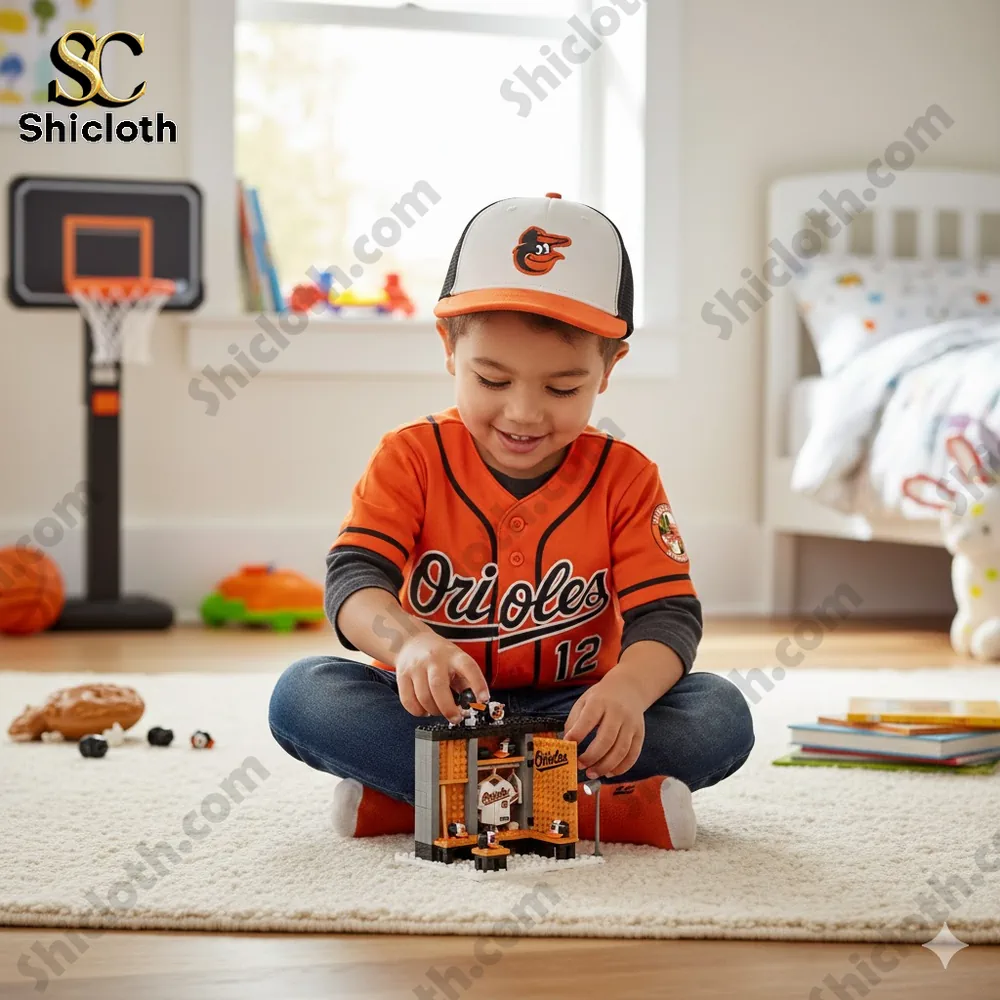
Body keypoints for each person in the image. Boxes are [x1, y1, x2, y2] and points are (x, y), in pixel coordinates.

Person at [268, 193, 755, 850]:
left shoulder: (627, 477)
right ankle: (590, 813)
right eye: (492, 379)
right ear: (448, 348)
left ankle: (425, 801)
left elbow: (668, 617)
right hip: (437, 711)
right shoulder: (409, 457)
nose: (524, 413)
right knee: (306, 696)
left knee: (720, 713)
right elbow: (355, 580)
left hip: (577, 714)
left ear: (608, 370)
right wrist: (410, 642)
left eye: (561, 388)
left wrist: (628, 693)